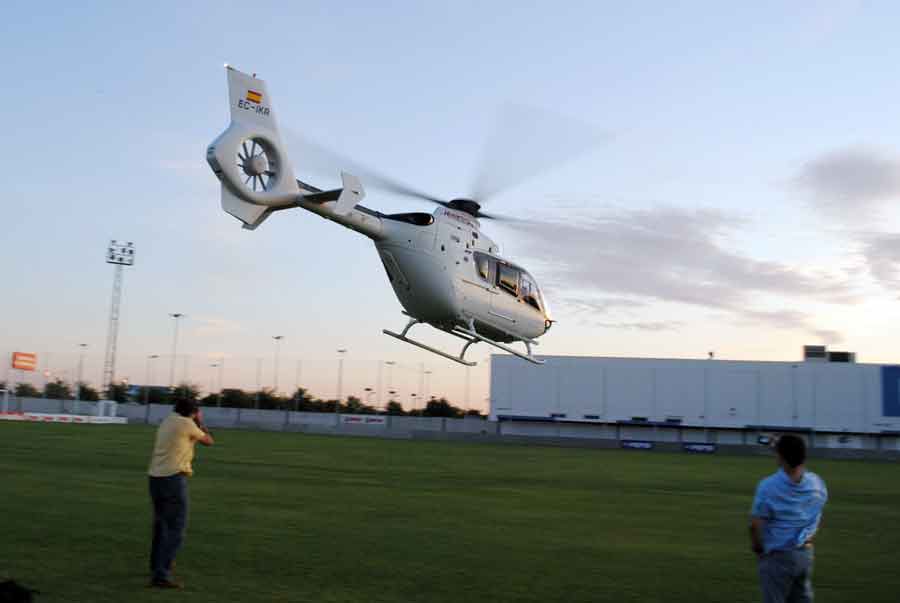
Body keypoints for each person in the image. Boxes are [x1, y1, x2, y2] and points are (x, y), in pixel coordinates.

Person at [749, 434, 828, 603]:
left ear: (781, 456)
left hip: (777, 556)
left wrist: (758, 549)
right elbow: (818, 515)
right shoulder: (817, 484)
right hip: (805, 553)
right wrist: (779, 446)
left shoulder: (768, 487)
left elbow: (755, 526)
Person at [147, 399, 214, 589]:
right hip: (173, 479)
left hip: (155, 478)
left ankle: (156, 566)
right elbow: (209, 441)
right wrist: (201, 422)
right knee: (176, 528)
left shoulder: (168, 420)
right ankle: (162, 574)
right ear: (193, 412)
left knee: (161, 525)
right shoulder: (187, 424)